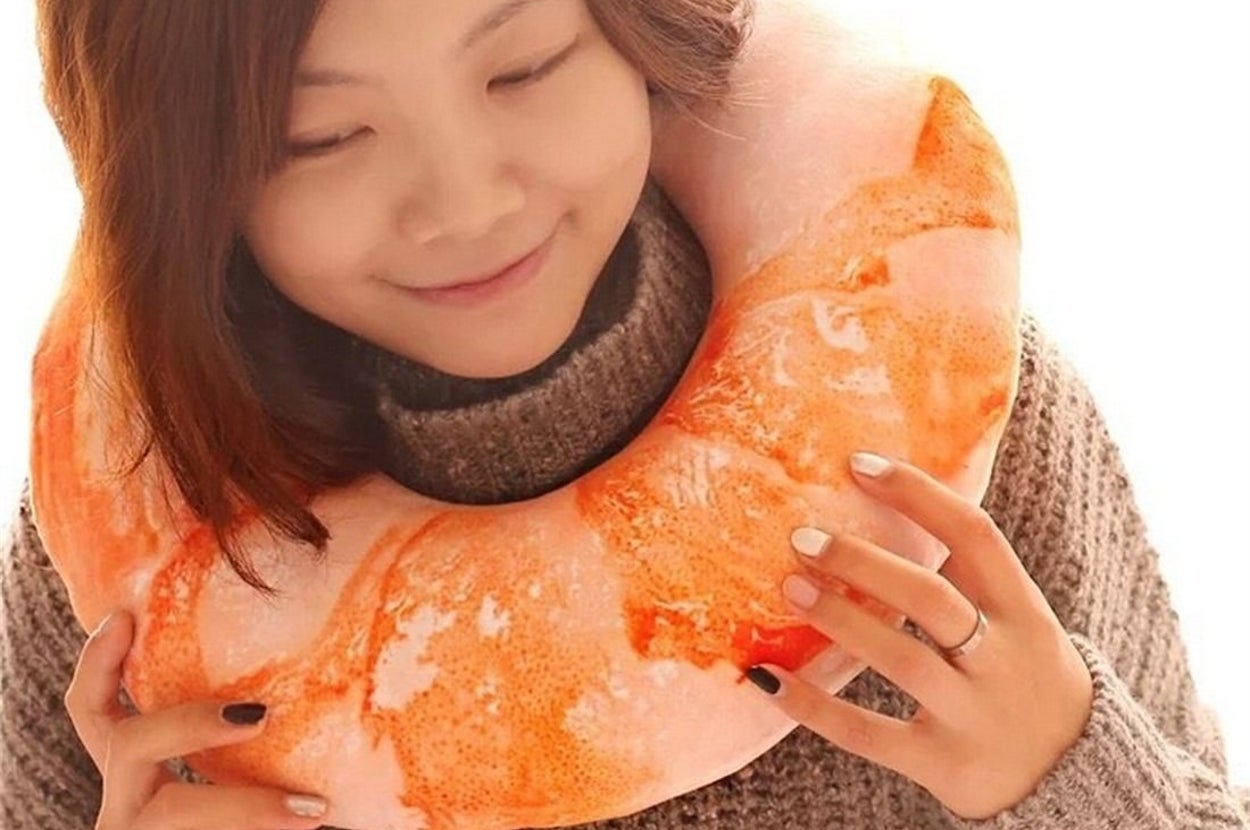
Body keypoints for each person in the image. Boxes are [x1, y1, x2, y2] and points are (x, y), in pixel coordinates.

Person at [2, 0, 1248, 828]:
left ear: (632, 35)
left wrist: (1067, 772)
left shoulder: (943, 417)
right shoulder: (135, 563)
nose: (468, 201)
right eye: (321, 136)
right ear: (190, 188)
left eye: (523, 67)